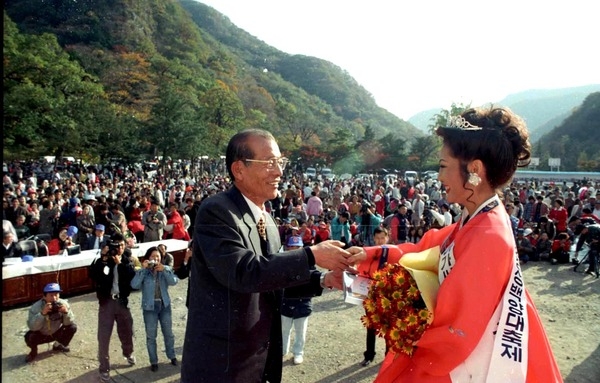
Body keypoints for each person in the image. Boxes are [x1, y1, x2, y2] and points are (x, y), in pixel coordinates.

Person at [347, 107, 562, 382]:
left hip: (466, 366)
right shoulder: (477, 218)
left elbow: (455, 332)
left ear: (474, 170)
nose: (439, 177)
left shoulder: (489, 234)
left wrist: (396, 318)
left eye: (443, 166)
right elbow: (424, 251)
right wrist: (365, 256)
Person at [181, 129, 352, 383]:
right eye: (269, 163)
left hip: (260, 362)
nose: (279, 172)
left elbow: (272, 281)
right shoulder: (217, 211)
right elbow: (244, 272)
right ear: (239, 169)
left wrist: (323, 281)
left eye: (280, 162)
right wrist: (311, 255)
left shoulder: (268, 220)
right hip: (222, 365)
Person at [88, 233, 137, 382]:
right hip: (106, 303)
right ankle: (104, 368)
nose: (119, 249)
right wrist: (103, 258)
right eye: (117, 246)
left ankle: (128, 353)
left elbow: (131, 278)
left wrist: (120, 264)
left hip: (122, 302)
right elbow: (92, 274)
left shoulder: (128, 260)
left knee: (127, 331)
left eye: (122, 245)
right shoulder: (104, 260)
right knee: (103, 337)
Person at [130, 246, 179, 372]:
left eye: (157, 257)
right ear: (148, 258)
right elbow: (134, 284)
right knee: (151, 336)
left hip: (164, 305)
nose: (155, 259)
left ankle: (172, 356)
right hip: (149, 308)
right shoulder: (144, 272)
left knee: (168, 333)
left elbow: (174, 281)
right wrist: (142, 269)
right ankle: (154, 361)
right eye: (152, 256)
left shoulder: (164, 270)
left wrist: (166, 269)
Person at [24, 282, 77, 363]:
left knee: (72, 327)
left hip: (56, 332)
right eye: (51, 295)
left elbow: (68, 323)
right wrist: (42, 313)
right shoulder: (36, 307)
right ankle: (33, 352)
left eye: (56, 294)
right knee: (29, 336)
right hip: (41, 334)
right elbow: (33, 327)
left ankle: (58, 345)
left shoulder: (63, 303)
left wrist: (66, 313)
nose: (54, 298)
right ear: (44, 296)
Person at [281, 235, 313, 365]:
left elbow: (314, 283)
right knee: (284, 329)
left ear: (302, 248)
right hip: (286, 302)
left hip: (302, 303)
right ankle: (283, 350)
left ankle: (298, 352)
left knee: (301, 331)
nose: (294, 249)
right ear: (287, 248)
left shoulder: (309, 264)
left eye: (297, 247)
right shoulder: (281, 264)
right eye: (292, 246)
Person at [360, 226, 390, 367]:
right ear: (373, 239)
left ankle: (388, 357)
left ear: (387, 238)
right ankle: (369, 355)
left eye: (382, 238)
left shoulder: (394, 254)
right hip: (371, 297)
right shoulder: (369, 255)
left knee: (388, 328)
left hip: (388, 298)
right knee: (371, 326)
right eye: (377, 238)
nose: (379, 241)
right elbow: (362, 273)